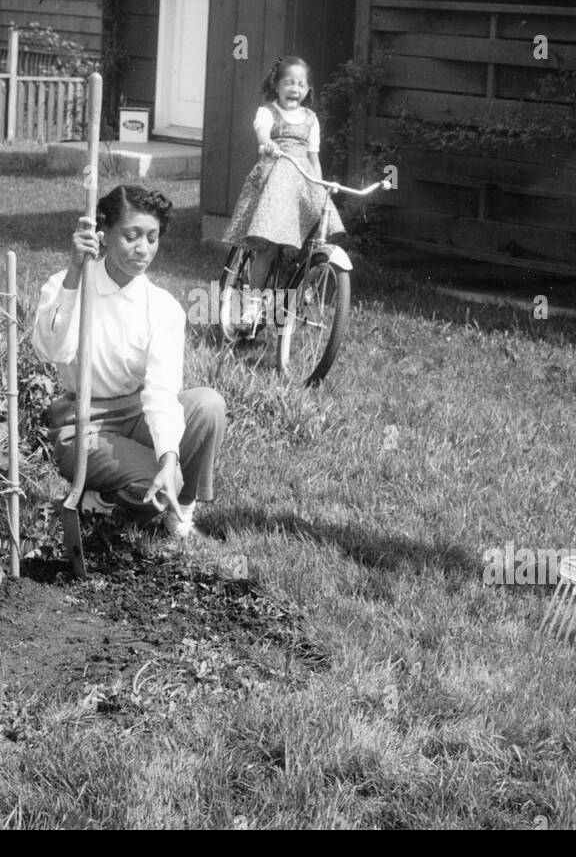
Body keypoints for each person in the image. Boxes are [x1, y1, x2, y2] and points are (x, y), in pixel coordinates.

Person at [32, 185, 225, 540]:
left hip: (136, 416)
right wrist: (75, 273)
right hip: (84, 424)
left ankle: (180, 513)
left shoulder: (162, 306)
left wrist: (169, 456)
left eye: (152, 238)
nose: (143, 249)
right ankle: (100, 500)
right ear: (103, 236)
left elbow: (162, 391)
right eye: (131, 236)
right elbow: (50, 350)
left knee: (208, 405)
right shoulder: (68, 285)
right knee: (153, 482)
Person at [222, 55, 345, 329]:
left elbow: (314, 158)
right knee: (268, 245)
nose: (295, 89)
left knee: (319, 234)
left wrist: (321, 186)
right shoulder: (268, 112)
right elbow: (262, 133)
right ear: (276, 85)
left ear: (308, 90)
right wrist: (267, 144)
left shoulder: (311, 119)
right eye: (289, 82)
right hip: (276, 177)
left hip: (302, 180)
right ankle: (253, 303)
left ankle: (303, 287)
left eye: (301, 84)